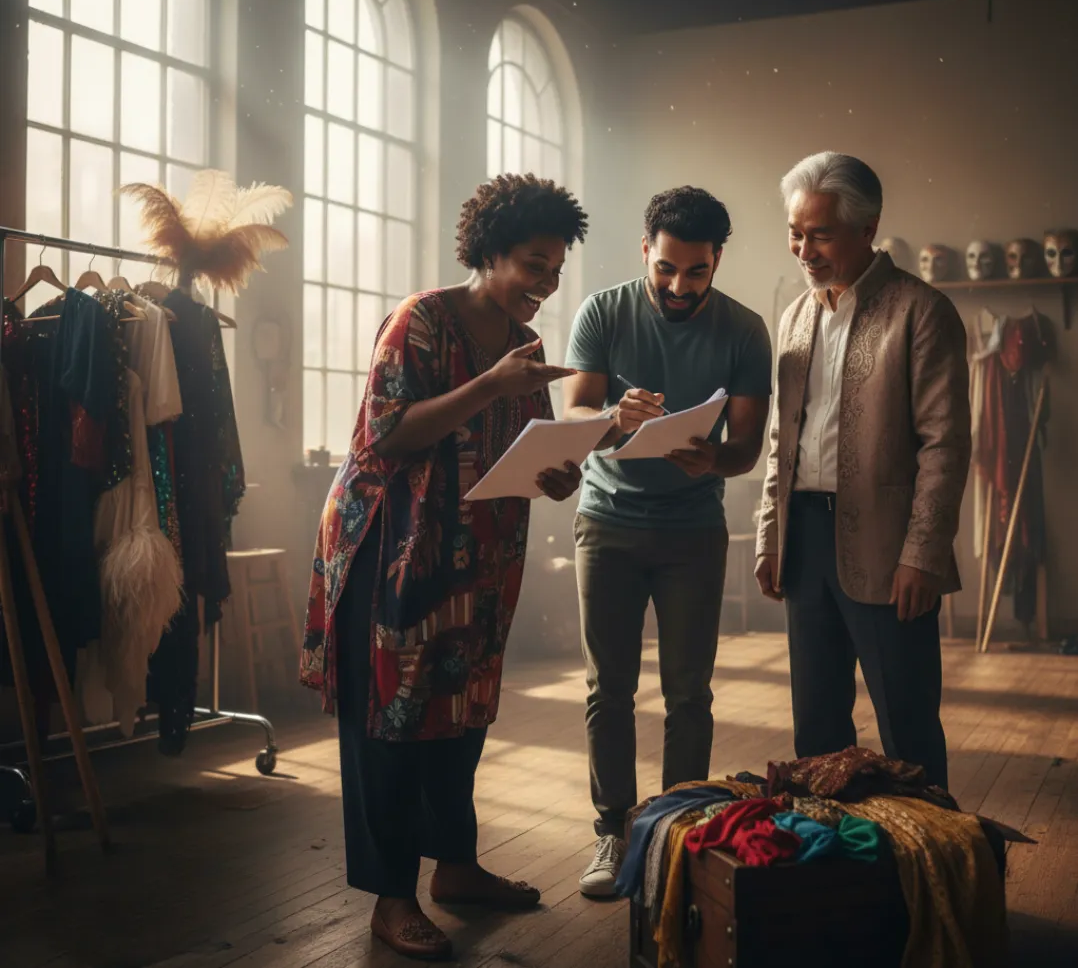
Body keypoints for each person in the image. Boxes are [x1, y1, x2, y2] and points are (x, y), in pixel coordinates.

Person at [300, 174, 588, 961]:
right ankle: (391, 897)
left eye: (555, 269)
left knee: (463, 709)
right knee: (390, 719)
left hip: (480, 556)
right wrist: (489, 384)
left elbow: (525, 447)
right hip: (394, 548)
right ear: (489, 253)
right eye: (534, 264)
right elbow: (385, 438)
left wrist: (558, 472)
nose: (546, 283)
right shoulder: (419, 321)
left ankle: (455, 867)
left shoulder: (524, 347)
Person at [562, 186, 773, 897]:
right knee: (608, 687)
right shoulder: (603, 311)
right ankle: (610, 831)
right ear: (645, 252)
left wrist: (711, 458)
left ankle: (680, 834)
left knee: (689, 692)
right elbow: (575, 412)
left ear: (718, 261)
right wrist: (613, 418)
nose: (678, 286)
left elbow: (745, 448)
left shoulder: (745, 331)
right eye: (666, 270)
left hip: (692, 528)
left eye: (696, 272)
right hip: (607, 523)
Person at [755, 150, 971, 792]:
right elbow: (780, 438)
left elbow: (945, 444)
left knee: (907, 725)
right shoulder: (795, 315)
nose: (803, 249)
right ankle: (838, 876)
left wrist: (923, 555)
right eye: (795, 232)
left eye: (820, 233)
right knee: (816, 730)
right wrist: (772, 534)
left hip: (890, 548)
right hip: (805, 546)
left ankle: (931, 881)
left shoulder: (922, 311)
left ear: (868, 227)